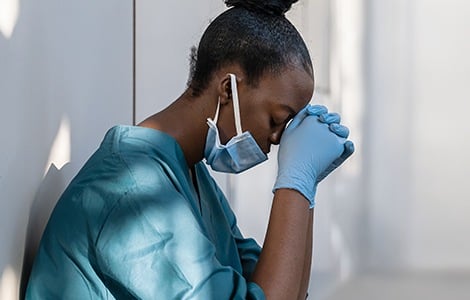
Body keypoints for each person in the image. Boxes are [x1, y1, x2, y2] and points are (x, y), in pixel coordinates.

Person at [25, 0, 354, 299]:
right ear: (228, 88)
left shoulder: (191, 174)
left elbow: (284, 290)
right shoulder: (131, 189)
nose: (281, 139)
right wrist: (296, 179)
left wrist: (306, 188)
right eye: (278, 119)